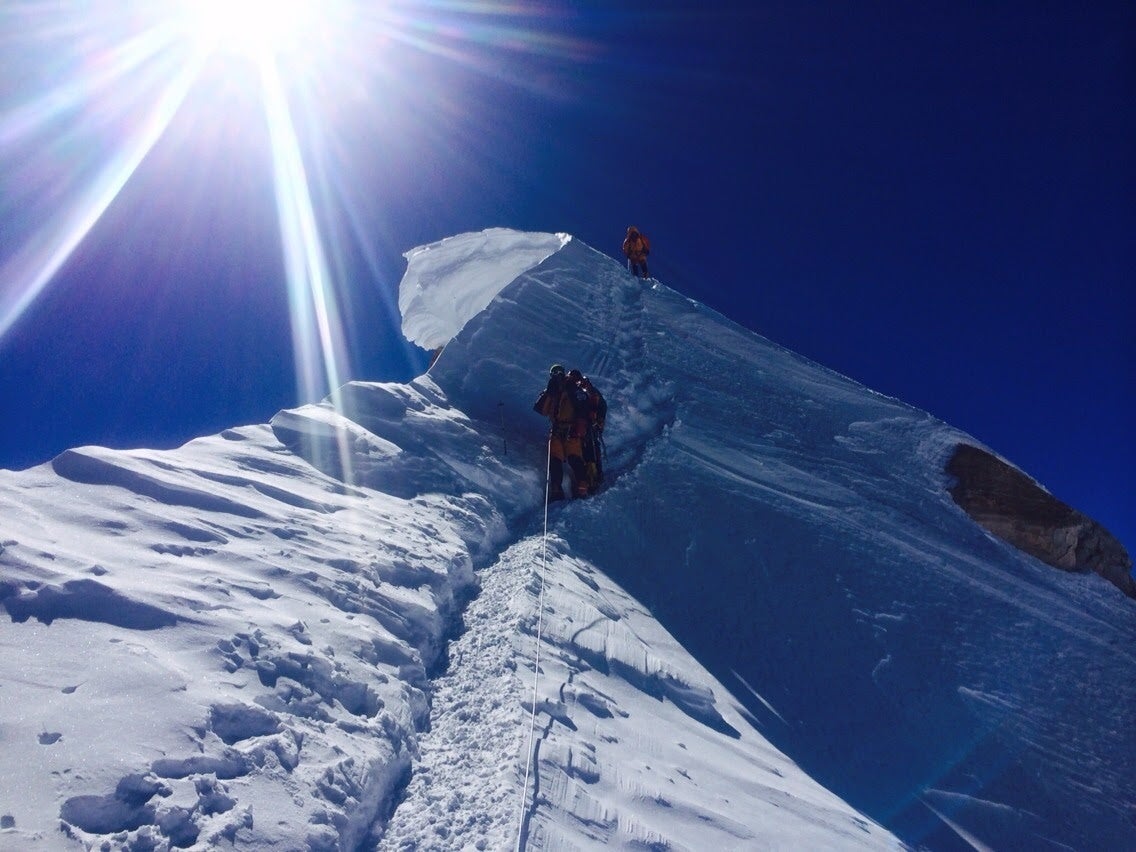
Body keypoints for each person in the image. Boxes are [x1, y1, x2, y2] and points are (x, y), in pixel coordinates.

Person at [532, 364, 591, 501]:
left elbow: (542, 410)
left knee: (558, 460)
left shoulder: (557, 390)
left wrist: (549, 392)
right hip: (571, 432)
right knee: (572, 458)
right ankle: (580, 488)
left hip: (562, 430)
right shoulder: (572, 390)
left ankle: (558, 490)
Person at [567, 369, 607, 493]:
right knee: (592, 451)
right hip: (591, 426)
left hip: (582, 427)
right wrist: (600, 421)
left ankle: (589, 480)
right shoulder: (590, 390)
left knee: (586, 452)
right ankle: (594, 478)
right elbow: (602, 406)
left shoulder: (576, 391)